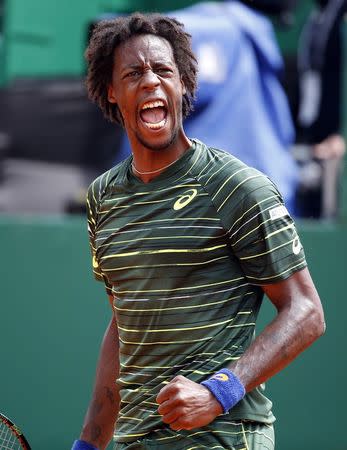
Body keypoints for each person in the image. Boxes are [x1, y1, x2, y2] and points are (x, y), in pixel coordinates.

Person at [72, 13, 325, 450]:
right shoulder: (103, 198)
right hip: (134, 442)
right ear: (112, 92)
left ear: (184, 83)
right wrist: (89, 443)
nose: (151, 81)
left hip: (224, 440)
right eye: (133, 73)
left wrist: (219, 391)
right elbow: (125, 324)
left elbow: (306, 312)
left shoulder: (236, 186)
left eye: (163, 70)